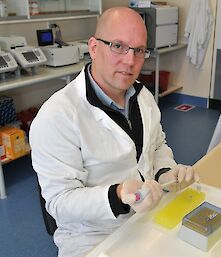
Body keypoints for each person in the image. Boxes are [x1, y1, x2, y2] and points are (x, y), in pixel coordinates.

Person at [29, 7, 199, 257]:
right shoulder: (57, 116)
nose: (130, 61)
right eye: (118, 46)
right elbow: (59, 203)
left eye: (139, 50)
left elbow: (157, 146)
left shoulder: (143, 98)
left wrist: (165, 173)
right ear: (94, 48)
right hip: (93, 237)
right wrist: (117, 194)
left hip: (149, 217)